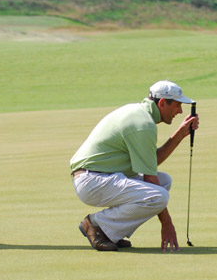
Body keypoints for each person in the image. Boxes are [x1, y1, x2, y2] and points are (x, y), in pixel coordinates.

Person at [70, 80, 199, 252]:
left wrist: (181, 134)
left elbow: (150, 163)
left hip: (101, 176)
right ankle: (95, 225)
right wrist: (167, 224)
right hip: (92, 180)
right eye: (177, 105)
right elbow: (150, 178)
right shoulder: (143, 124)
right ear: (162, 103)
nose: (180, 111)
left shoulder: (139, 114)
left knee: (164, 181)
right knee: (159, 195)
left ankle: (111, 233)